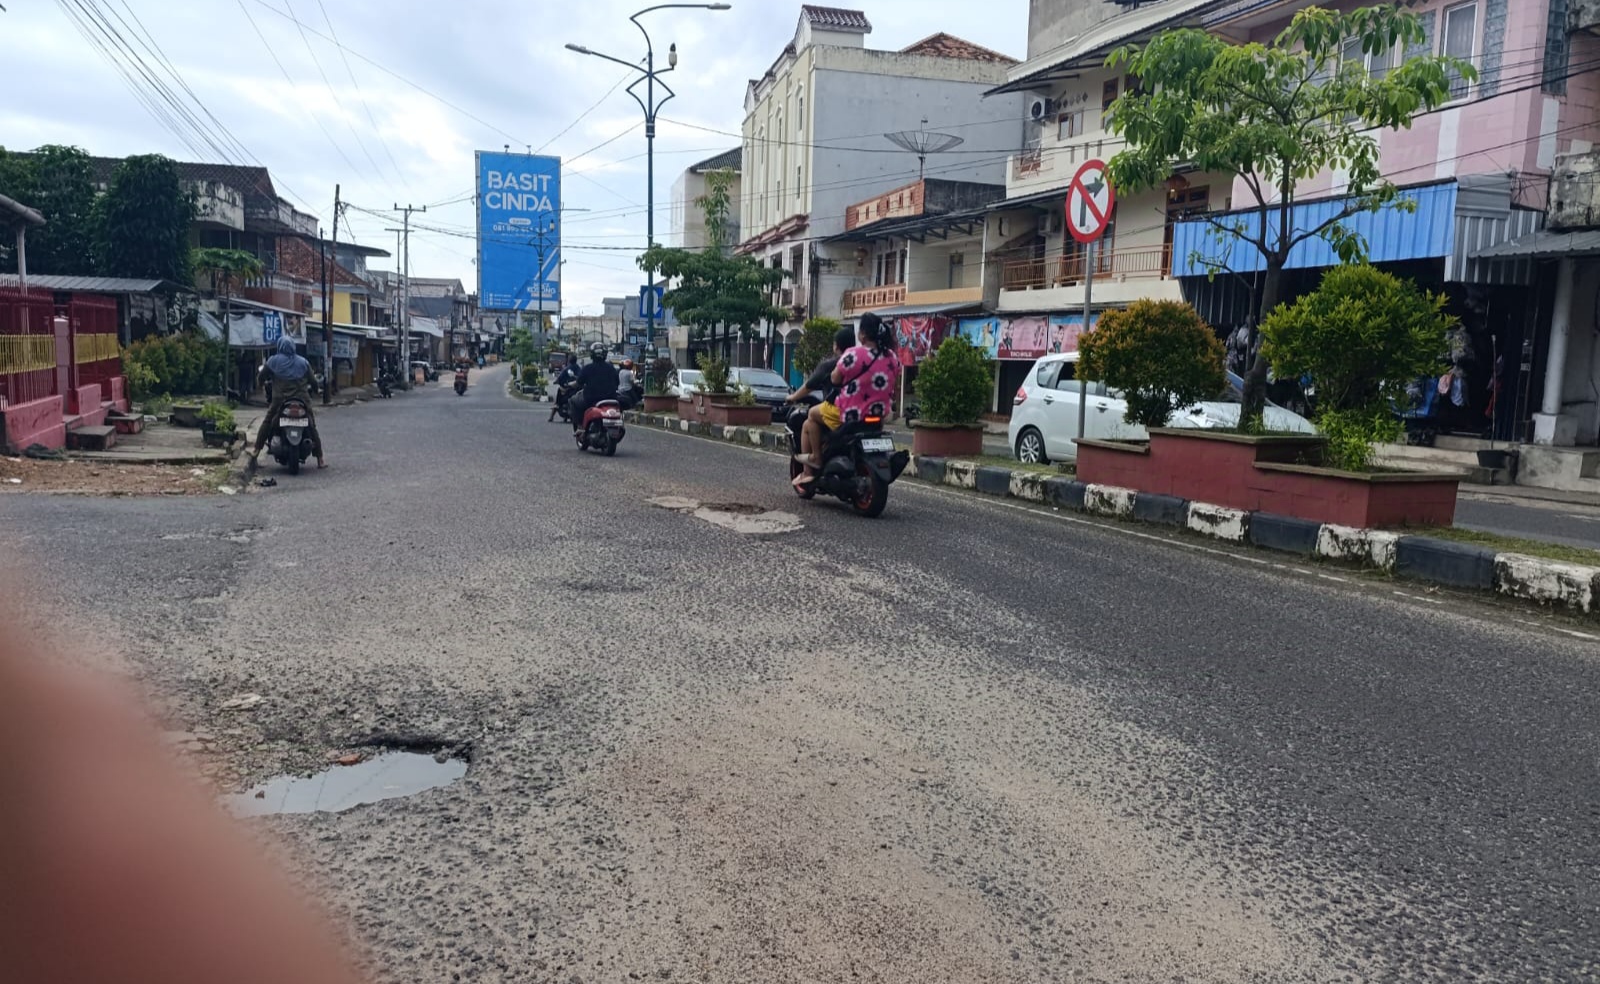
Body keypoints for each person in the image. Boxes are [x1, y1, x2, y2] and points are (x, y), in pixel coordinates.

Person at [795, 313, 900, 488]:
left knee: (812, 415)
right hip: (878, 414)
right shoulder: (892, 357)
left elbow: (835, 379)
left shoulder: (853, 354)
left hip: (849, 412)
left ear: (863, 334)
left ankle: (814, 459)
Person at [787, 326, 856, 480]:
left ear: (836, 346)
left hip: (840, 411)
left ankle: (809, 469)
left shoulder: (832, 365)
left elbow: (809, 386)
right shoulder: (862, 363)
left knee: (809, 422)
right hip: (861, 412)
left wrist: (792, 397)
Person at [248, 337, 324, 469]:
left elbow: (261, 377)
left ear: (280, 347)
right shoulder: (303, 362)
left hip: (280, 401)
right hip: (302, 401)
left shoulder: (273, 361)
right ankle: (320, 458)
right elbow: (313, 381)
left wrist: (260, 384)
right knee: (311, 425)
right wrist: (317, 390)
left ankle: (256, 450)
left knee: (267, 422)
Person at [568, 342, 619, 433]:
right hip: (610, 398)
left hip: (591, 399)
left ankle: (580, 426)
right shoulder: (611, 368)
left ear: (592, 355)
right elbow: (617, 382)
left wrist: (571, 385)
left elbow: (578, 382)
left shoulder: (587, 368)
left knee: (573, 400)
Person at [549, 356, 581, 422]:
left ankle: (552, 416)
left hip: (570, 388)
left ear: (569, 360)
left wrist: (556, 381)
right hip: (575, 389)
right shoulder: (578, 368)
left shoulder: (567, 368)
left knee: (558, 397)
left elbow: (560, 378)